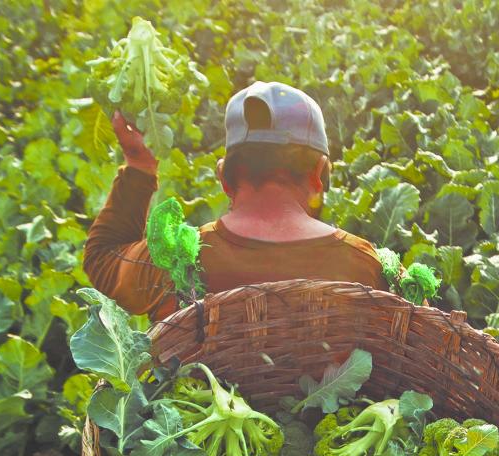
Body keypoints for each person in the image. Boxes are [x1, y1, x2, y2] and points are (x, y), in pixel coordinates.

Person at [83, 81, 385, 320]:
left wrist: (140, 164)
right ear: (318, 174)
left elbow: (103, 258)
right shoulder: (367, 266)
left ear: (225, 178)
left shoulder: (173, 263)